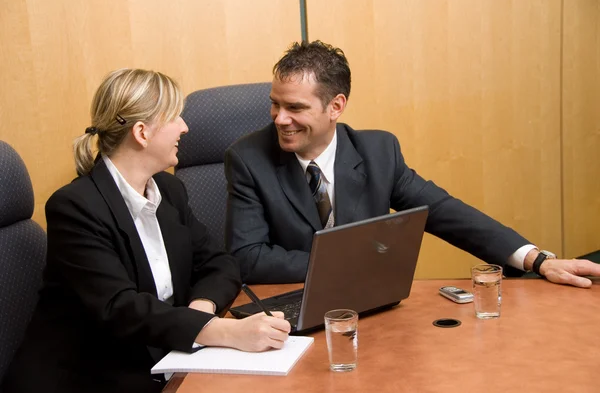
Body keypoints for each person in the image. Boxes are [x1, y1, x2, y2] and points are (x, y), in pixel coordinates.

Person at [2, 69, 290, 393]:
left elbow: (219, 262)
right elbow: (120, 308)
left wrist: (202, 308)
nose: (184, 126)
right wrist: (220, 332)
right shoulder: (75, 208)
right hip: (92, 376)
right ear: (142, 132)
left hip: (163, 356)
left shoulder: (168, 190)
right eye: (175, 117)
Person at [225, 40, 600, 287]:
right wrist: (347, 265)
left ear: (336, 106)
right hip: (290, 309)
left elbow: (446, 212)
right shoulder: (248, 158)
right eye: (275, 103)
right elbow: (248, 258)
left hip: (372, 309)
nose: (279, 118)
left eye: (295, 107)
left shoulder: (378, 151)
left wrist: (537, 260)